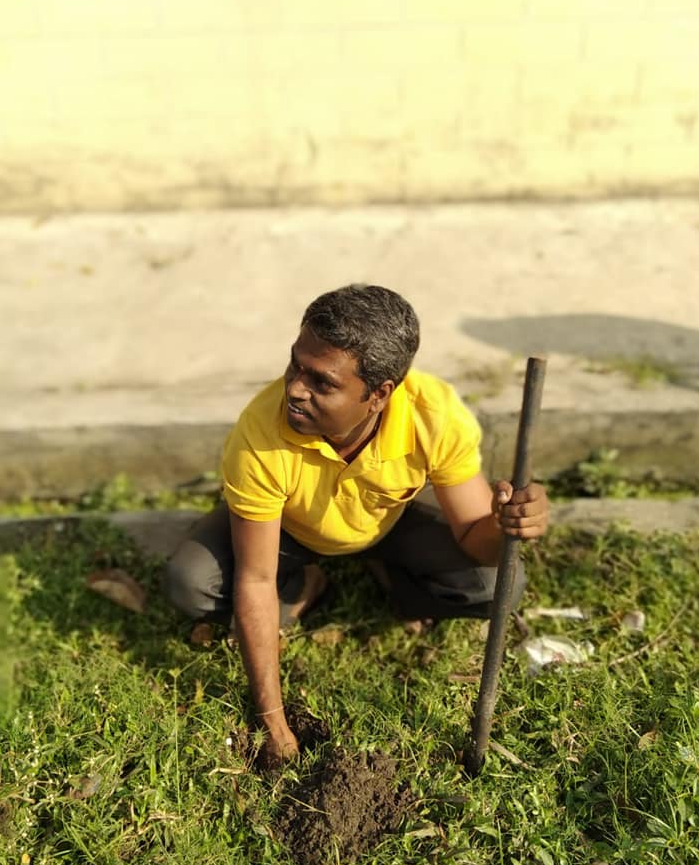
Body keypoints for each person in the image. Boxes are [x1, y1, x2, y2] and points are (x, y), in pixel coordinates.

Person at [166, 284, 549, 766]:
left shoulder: (433, 414)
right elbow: (256, 579)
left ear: (379, 394)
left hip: (387, 528)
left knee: (499, 586)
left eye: (322, 383)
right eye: (295, 365)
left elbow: (477, 540)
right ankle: (305, 584)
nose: (295, 389)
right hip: (287, 532)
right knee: (190, 584)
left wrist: (506, 524)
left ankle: (387, 578)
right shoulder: (261, 434)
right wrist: (274, 722)